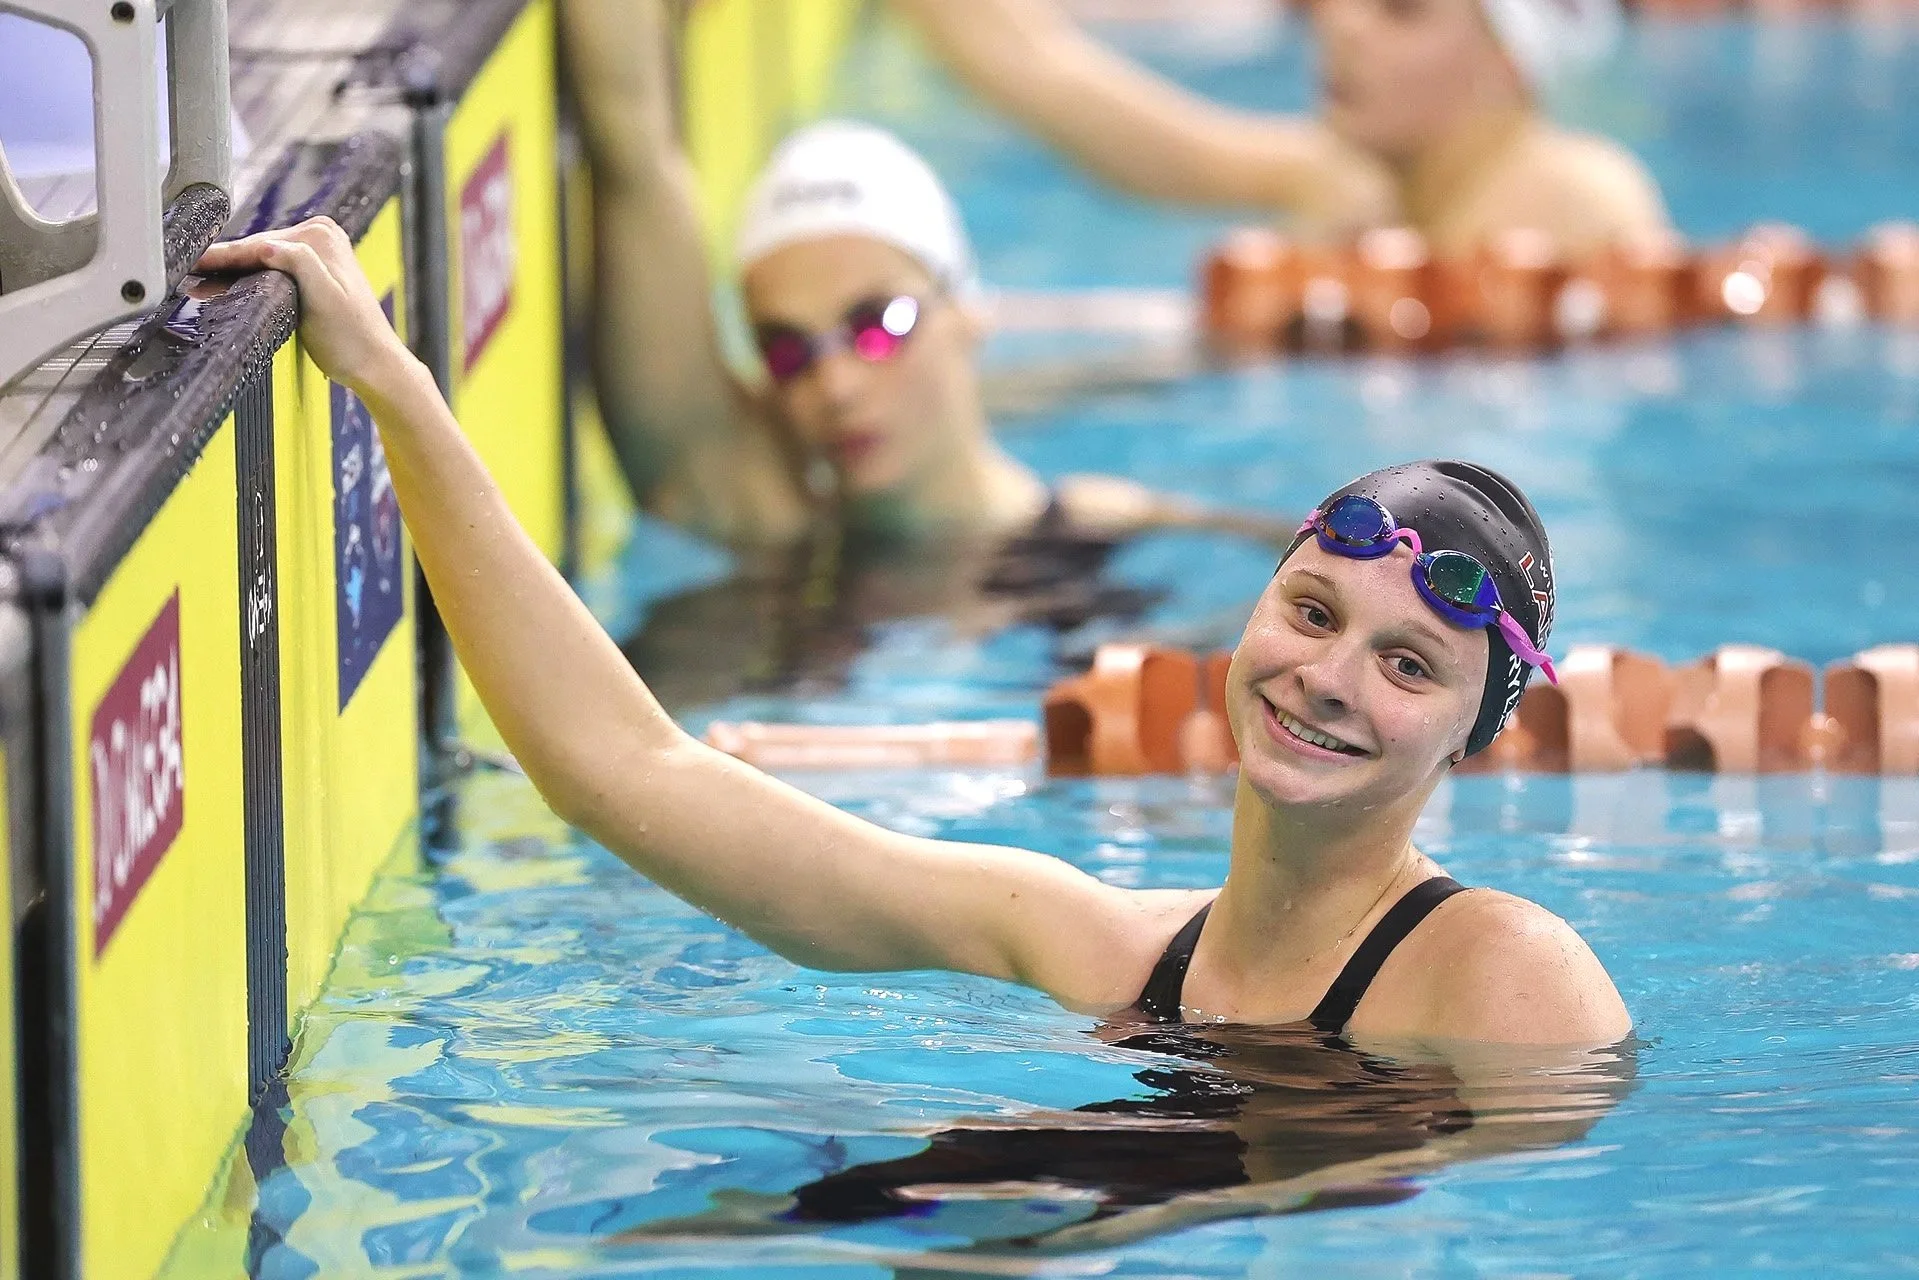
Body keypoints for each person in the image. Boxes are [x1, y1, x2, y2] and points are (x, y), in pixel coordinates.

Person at [199, 218, 1632, 1241]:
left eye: (1405, 664)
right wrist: (398, 393)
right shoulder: (1095, 942)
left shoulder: (1506, 982)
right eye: (1310, 613)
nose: (1324, 677)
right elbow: (626, 769)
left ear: (1473, 735)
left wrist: (1081, 1210)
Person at [559, 0, 1285, 551]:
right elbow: (633, 149)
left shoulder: (1111, 540)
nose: (836, 386)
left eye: (877, 327)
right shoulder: (754, 514)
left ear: (969, 312)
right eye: (788, 352)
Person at [893, 0, 1671, 254]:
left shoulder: (1584, 198)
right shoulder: (1347, 180)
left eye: (1399, 9)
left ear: (1510, 67)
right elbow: (1064, 86)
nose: (1342, 25)